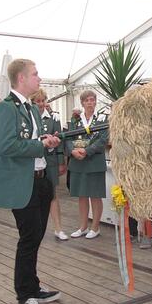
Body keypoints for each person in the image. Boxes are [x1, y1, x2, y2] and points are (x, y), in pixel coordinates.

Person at [0, 58, 61, 304]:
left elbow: (31, 140)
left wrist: (46, 141)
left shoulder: (30, 108)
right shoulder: (5, 108)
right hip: (22, 183)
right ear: (21, 78)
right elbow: (5, 146)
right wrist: (40, 145)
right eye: (35, 74)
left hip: (40, 180)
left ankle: (33, 285)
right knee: (29, 238)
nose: (39, 78)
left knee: (36, 236)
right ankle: (24, 294)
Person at [67, 90, 108, 240]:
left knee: (95, 196)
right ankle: (83, 227)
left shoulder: (103, 119)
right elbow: (68, 138)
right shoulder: (75, 120)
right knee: (82, 196)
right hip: (78, 162)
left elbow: (103, 140)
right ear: (82, 103)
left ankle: (95, 227)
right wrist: (72, 151)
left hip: (94, 162)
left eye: (92, 100)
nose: (90, 103)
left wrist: (87, 150)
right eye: (87, 100)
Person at [30, 89, 68, 241]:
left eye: (43, 100)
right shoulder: (29, 117)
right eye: (37, 101)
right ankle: (36, 228)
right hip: (34, 161)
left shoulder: (54, 117)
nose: (40, 104)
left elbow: (59, 141)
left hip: (50, 160)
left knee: (52, 194)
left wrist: (61, 162)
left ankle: (58, 228)